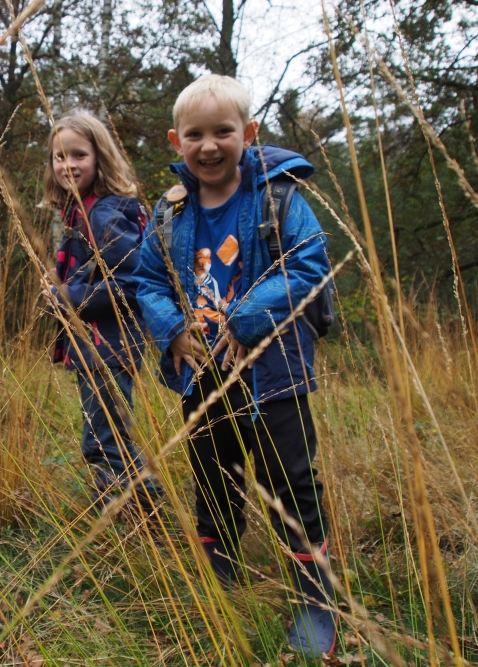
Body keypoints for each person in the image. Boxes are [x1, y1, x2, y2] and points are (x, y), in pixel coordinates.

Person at [133, 75, 337, 657]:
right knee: (214, 473)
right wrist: (171, 329)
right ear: (178, 141)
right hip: (203, 373)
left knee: (290, 478)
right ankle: (219, 569)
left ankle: (314, 593)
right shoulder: (171, 213)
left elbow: (308, 264)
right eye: (195, 134)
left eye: (223, 131)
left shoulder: (276, 198)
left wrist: (246, 319)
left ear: (247, 134)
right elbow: (147, 279)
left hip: (272, 372)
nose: (209, 145)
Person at [40, 113, 163, 517]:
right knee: (106, 437)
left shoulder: (104, 213)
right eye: (59, 156)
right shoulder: (80, 212)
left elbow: (128, 285)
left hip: (108, 345)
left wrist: (65, 297)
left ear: (100, 157)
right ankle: (124, 514)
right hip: (96, 346)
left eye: (79, 154)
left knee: (105, 442)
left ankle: (145, 519)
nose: (67, 165)